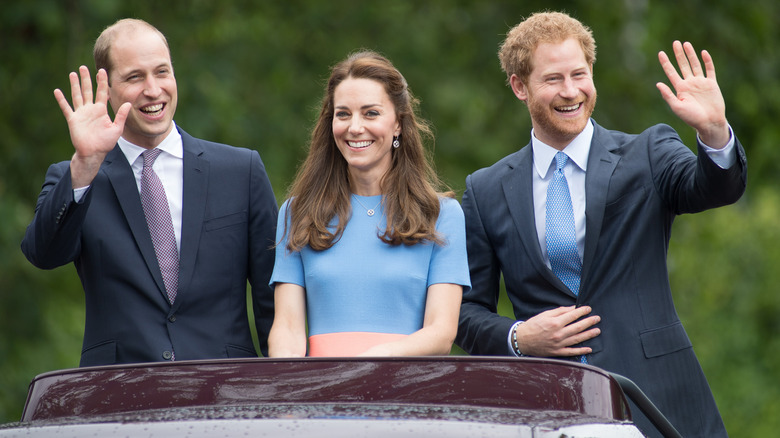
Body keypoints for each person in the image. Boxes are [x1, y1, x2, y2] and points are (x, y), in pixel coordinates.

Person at [455, 11, 745, 438]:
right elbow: (464, 313)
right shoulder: (485, 189)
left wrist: (715, 133)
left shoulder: (647, 152)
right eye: (553, 79)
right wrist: (519, 337)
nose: (570, 91)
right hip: (549, 411)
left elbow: (714, 188)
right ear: (520, 86)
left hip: (658, 401)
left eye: (579, 74)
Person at [21, 19, 278, 366]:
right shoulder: (77, 175)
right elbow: (43, 253)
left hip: (225, 394)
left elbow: (272, 303)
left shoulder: (241, 171)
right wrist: (85, 162)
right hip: (119, 395)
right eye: (134, 77)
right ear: (107, 88)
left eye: (162, 72)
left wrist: (285, 393)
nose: (153, 89)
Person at [268, 51, 470, 357]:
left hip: (405, 395)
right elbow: (287, 328)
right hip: (319, 395)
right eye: (343, 114)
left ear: (398, 124)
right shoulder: (298, 213)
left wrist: (369, 366)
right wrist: (290, 392)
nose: (355, 127)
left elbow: (441, 333)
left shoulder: (442, 215)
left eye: (371, 113)